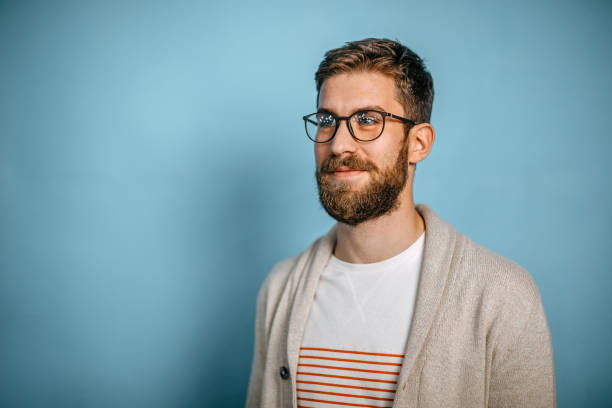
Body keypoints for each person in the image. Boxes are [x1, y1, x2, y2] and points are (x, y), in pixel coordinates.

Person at [246, 38, 556, 407]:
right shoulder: (280, 289)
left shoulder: (503, 297)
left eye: (367, 120)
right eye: (328, 120)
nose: (338, 145)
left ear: (419, 143)